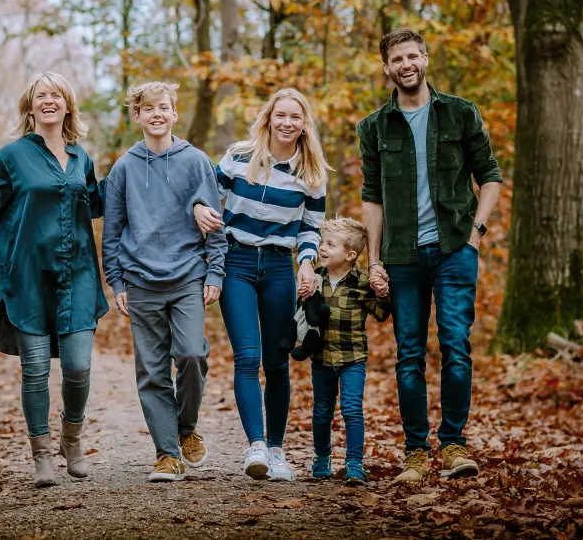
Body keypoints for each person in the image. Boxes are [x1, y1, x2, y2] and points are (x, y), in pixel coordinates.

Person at [357, 28, 502, 483]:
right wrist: (373, 260)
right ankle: (416, 452)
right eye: (397, 58)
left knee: (456, 347)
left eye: (413, 55)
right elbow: (371, 197)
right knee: (409, 355)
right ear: (387, 68)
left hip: (455, 249)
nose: (406, 64)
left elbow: (491, 176)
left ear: (425, 58)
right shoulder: (373, 127)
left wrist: (475, 234)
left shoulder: (460, 113)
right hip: (401, 256)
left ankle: (454, 444)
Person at [0, 72, 108, 488]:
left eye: (56, 94)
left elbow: (98, 202)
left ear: (67, 106)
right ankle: (41, 454)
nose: (48, 100)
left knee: (78, 366)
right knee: (36, 369)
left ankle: (70, 440)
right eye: (40, 95)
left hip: (77, 275)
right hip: (27, 276)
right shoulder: (11, 156)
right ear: (29, 107)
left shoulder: (81, 158)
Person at [193, 88, 330, 481]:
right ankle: (254, 446)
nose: (287, 123)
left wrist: (307, 263)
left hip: (279, 268)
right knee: (247, 359)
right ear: (268, 118)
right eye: (281, 115)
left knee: (277, 362)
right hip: (235, 263)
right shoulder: (239, 155)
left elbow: (311, 227)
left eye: (296, 117)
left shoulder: (312, 171)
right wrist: (201, 208)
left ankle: (277, 451)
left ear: (304, 125)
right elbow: (208, 196)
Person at [101, 82, 227, 483]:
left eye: (164, 107)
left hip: (188, 274)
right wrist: (117, 281)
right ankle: (167, 454)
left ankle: (186, 429)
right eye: (148, 108)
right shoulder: (124, 167)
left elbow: (216, 223)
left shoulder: (196, 161)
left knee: (191, 354)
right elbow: (112, 230)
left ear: (175, 113)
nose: (156, 114)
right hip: (140, 281)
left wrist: (216, 271)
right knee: (152, 371)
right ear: (136, 116)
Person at [299, 217, 390, 484]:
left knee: (351, 409)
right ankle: (321, 458)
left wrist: (382, 293)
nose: (322, 248)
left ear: (350, 255)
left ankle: (353, 463)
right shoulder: (315, 277)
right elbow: (304, 313)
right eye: (322, 242)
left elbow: (382, 314)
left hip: (353, 358)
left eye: (330, 244)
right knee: (321, 411)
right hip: (322, 358)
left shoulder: (362, 283)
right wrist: (303, 294)